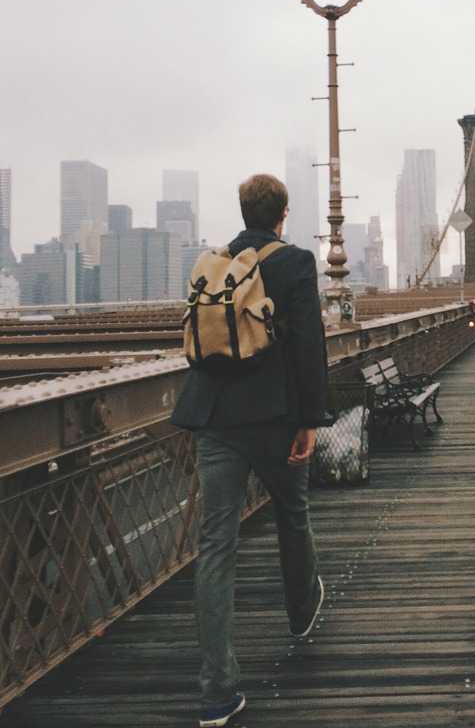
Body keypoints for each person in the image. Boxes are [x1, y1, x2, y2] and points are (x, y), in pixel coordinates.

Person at [172, 173, 329, 728]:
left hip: (214, 417)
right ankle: (301, 611)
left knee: (216, 547)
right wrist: (311, 419)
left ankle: (217, 692)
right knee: (292, 512)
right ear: (283, 212)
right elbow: (309, 345)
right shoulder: (294, 263)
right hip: (276, 417)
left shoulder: (216, 262)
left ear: (243, 212)